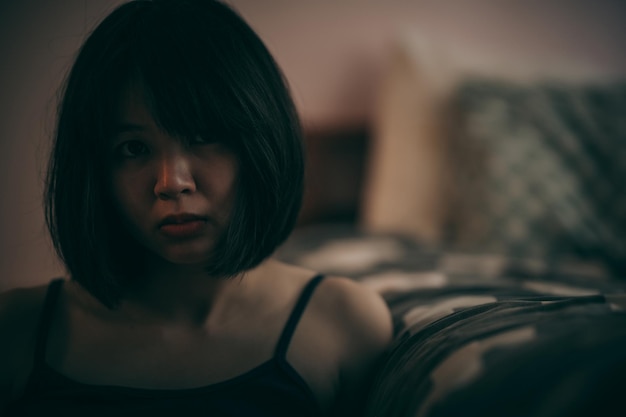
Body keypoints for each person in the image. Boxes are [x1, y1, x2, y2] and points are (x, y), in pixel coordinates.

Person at [0, 0, 392, 415]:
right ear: (94, 172)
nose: (171, 183)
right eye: (133, 148)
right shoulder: (16, 330)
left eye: (204, 136)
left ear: (261, 144)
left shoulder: (345, 324)